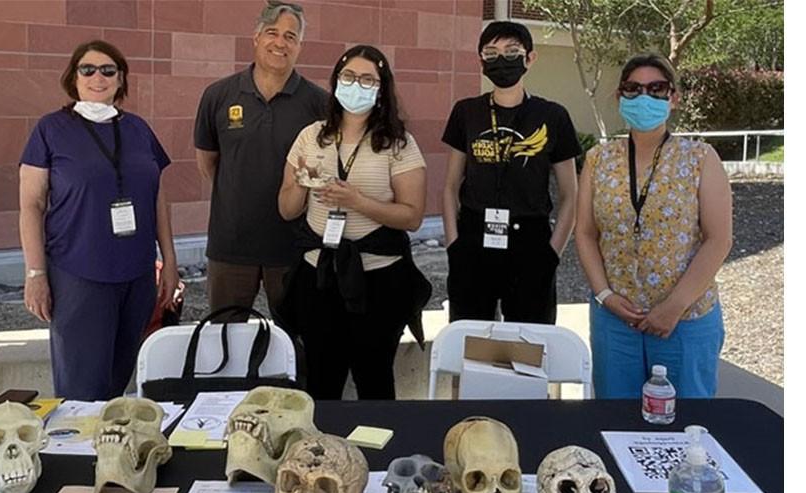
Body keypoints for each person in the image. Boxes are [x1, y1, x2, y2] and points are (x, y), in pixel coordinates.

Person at [18, 40, 179, 400]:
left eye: (108, 70)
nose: (98, 77)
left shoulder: (138, 129)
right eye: (87, 69)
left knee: (117, 378)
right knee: (81, 390)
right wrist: (35, 273)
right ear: (73, 77)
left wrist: (170, 261)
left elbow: (158, 198)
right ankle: (77, 454)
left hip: (135, 274)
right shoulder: (51, 129)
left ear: (121, 80)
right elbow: (30, 205)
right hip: (78, 274)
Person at [277, 45, 431, 400]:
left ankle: (379, 453)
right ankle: (320, 453)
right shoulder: (311, 136)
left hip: (379, 280)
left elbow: (412, 215)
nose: (355, 85)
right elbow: (286, 209)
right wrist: (302, 184)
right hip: (319, 276)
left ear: (381, 89)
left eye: (367, 79)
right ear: (335, 82)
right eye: (348, 77)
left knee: (374, 378)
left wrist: (357, 201)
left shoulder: (399, 143)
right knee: (320, 379)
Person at [575, 54, 733, 398]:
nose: (643, 97)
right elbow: (585, 233)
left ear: (673, 98)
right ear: (619, 98)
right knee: (614, 422)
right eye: (632, 89)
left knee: (685, 428)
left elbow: (718, 239)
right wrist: (605, 295)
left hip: (685, 320)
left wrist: (673, 307)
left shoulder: (700, 158)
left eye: (656, 88)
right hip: (616, 320)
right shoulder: (598, 160)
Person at [194, 1, 328, 319]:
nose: (280, 43)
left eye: (290, 36)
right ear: (256, 37)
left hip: (293, 248)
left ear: (299, 46)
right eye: (272, 33)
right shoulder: (218, 96)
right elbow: (208, 164)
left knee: (297, 342)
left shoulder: (319, 104)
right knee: (225, 339)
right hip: (231, 246)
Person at [441, 21, 581, 325]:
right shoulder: (465, 112)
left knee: (527, 351)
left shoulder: (553, 116)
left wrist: (552, 253)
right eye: (491, 53)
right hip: (474, 237)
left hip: (531, 241)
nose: (501, 59)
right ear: (480, 61)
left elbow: (571, 194)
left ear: (530, 58)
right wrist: (455, 245)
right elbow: (451, 185)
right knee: (470, 345)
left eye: (511, 51)